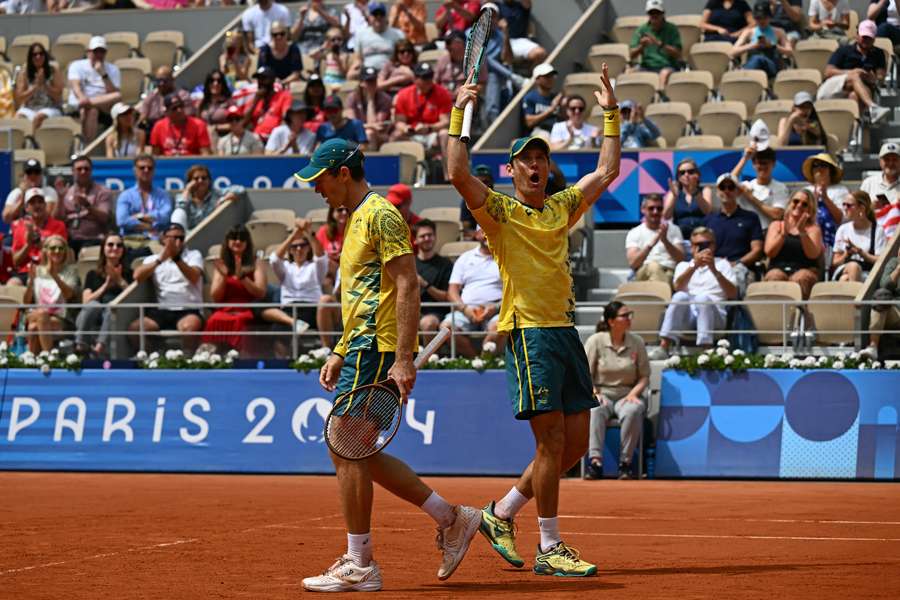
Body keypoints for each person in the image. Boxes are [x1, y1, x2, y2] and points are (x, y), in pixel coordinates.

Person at [447, 63, 623, 576]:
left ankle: (500, 513)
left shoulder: (560, 208)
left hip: (565, 333)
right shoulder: (499, 213)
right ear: (511, 170)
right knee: (549, 444)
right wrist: (460, 110)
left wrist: (610, 113)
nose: (536, 165)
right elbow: (458, 173)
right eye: (526, 159)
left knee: (570, 447)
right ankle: (549, 547)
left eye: (542, 158)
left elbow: (607, 171)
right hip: (529, 334)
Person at [295, 139, 481, 592]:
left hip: (376, 348)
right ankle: (451, 518)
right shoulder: (356, 218)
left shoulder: (380, 214)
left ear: (343, 173)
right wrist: (339, 348)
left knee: (345, 445)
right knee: (358, 451)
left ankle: (360, 562)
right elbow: (364, 296)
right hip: (359, 345)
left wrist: (401, 357)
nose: (316, 187)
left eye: (320, 178)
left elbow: (407, 285)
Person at [583, 301, 649, 480]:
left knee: (633, 410)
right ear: (611, 321)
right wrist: (595, 393)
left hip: (628, 394)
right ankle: (595, 462)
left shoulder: (637, 342)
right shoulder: (595, 341)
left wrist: (633, 394)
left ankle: (625, 463)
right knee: (595, 409)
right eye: (624, 315)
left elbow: (644, 376)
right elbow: (585, 374)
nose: (629, 319)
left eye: (630, 315)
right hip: (601, 393)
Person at [655, 227, 738, 355]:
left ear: (713, 245)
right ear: (692, 247)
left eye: (706, 244)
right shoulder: (683, 266)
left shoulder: (723, 264)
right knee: (679, 296)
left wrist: (714, 269)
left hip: (715, 316)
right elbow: (678, 287)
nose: (702, 248)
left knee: (702, 299)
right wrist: (694, 266)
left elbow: (733, 294)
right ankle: (664, 346)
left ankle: (706, 350)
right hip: (688, 315)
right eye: (698, 245)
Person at [129, 222, 204, 353]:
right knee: (135, 329)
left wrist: (176, 258)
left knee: (189, 328)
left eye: (181, 238)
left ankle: (187, 365)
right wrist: (160, 260)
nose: (178, 242)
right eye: (173, 238)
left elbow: (194, 276)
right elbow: (137, 276)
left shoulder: (193, 255)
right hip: (162, 310)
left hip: (188, 309)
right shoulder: (152, 259)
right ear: (163, 239)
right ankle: (153, 360)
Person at [264, 218, 335, 349]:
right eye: (294, 247)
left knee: (324, 301)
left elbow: (321, 257)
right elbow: (274, 260)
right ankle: (294, 324)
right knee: (269, 318)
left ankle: (326, 350)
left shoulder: (315, 267)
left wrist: (308, 233)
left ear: (308, 248)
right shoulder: (285, 267)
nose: (298, 249)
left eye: (302, 246)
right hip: (289, 311)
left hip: (311, 309)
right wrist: (293, 235)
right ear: (290, 250)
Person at [440, 227, 503, 357]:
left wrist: (496, 307)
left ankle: (485, 361)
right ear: (476, 234)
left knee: (500, 327)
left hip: (497, 309)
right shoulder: (465, 258)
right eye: (482, 230)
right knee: (445, 329)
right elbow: (452, 291)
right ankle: (474, 361)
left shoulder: (505, 257)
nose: (486, 235)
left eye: (489, 230)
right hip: (466, 309)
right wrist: (465, 309)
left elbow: (514, 291)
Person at [203, 225, 266, 353]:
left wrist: (242, 277)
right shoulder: (222, 265)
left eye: (242, 238)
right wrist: (225, 276)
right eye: (234, 238)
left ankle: (241, 358)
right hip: (225, 309)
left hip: (247, 310)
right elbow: (215, 297)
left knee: (239, 322)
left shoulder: (256, 262)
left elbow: (261, 292)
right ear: (227, 242)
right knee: (213, 320)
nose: (237, 241)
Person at [818, 20, 890, 124]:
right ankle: (873, 107)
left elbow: (880, 77)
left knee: (854, 96)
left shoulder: (878, 54)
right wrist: (851, 73)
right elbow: (828, 72)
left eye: (869, 37)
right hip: (835, 87)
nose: (866, 40)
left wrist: (873, 79)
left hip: (862, 88)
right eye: (864, 36)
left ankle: (855, 130)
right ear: (857, 35)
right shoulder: (844, 50)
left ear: (874, 38)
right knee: (855, 76)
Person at [704, 173, 764, 295]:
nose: (727, 191)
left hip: (741, 268)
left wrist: (737, 263)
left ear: (738, 192)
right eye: (722, 187)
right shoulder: (709, 220)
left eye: (731, 187)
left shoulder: (751, 218)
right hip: (714, 267)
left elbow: (757, 250)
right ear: (717, 191)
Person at [75, 231, 132, 357]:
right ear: (104, 249)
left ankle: (99, 347)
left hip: (116, 315)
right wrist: (105, 286)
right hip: (91, 314)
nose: (115, 248)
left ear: (123, 250)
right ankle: (80, 345)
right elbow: (86, 301)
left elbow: (132, 297)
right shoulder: (93, 274)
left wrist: (120, 280)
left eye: (119, 245)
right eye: (110, 245)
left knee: (111, 307)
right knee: (93, 305)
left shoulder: (129, 273)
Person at [391, 63, 453, 176]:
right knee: (395, 135)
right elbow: (399, 121)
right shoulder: (404, 94)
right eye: (423, 77)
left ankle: (448, 175)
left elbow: (445, 122)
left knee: (445, 134)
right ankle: (395, 175)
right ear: (415, 78)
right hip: (412, 134)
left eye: (429, 77)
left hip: (432, 134)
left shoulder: (442, 93)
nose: (427, 81)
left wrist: (429, 128)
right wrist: (406, 128)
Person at [23, 235, 79, 353]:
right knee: (41, 314)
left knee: (33, 328)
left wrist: (55, 276)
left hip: (61, 317)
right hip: (37, 314)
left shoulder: (71, 271)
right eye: (53, 248)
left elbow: (69, 296)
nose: (57, 251)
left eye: (60, 248)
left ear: (65, 251)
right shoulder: (37, 270)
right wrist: (31, 283)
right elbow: (26, 302)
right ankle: (49, 357)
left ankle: (34, 361)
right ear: (46, 251)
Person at [763, 189, 823, 299]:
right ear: (789, 203)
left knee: (801, 278)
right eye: (796, 201)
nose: (799, 205)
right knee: (774, 276)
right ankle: (775, 315)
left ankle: (800, 314)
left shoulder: (813, 229)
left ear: (810, 211)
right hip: (778, 269)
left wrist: (802, 233)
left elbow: (813, 254)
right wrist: (783, 235)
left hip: (805, 270)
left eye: (804, 204)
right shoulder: (776, 225)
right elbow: (769, 252)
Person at [54, 156, 113, 256]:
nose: (83, 172)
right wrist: (60, 198)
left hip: (93, 239)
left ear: (91, 171)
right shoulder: (66, 192)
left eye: (86, 169)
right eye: (79, 169)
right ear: (73, 171)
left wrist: (87, 205)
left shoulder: (102, 191)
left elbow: (104, 217)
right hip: (70, 240)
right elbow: (58, 220)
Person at [67, 36, 122, 142]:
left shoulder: (113, 69)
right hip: (79, 103)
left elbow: (113, 94)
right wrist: (83, 99)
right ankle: (88, 147)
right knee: (92, 111)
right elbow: (76, 87)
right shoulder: (77, 65)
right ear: (89, 52)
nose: (99, 55)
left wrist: (103, 74)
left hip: (102, 106)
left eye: (102, 51)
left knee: (117, 96)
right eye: (96, 51)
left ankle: (85, 147)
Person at [10, 188, 68, 287]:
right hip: (25, 272)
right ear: (26, 208)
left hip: (50, 271)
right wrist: (28, 245)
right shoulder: (19, 227)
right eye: (32, 203)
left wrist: (39, 243)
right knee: (12, 283)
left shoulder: (58, 226)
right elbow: (16, 262)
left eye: (40, 202)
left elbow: (62, 256)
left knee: (34, 282)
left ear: (45, 205)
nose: (37, 205)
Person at [626, 194, 685, 285]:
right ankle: (665, 296)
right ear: (643, 210)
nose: (655, 212)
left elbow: (680, 259)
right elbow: (633, 263)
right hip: (644, 271)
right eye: (651, 208)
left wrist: (665, 241)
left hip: (669, 271)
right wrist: (652, 243)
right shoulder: (635, 232)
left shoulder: (674, 230)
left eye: (659, 208)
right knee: (654, 266)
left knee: (665, 275)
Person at [116, 155, 173, 243]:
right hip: (130, 241)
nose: (146, 170)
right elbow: (122, 221)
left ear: (154, 171)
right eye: (142, 168)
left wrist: (138, 217)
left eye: (150, 168)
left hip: (157, 241)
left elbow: (165, 218)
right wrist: (150, 224)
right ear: (135, 170)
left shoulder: (163, 195)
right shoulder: (125, 195)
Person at [730, 145, 788, 230]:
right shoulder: (746, 185)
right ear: (753, 164)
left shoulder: (780, 187)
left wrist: (751, 197)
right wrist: (745, 158)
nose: (762, 167)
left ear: (773, 164)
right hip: (745, 232)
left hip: (767, 233)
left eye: (765, 163)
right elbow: (730, 181)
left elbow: (777, 214)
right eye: (759, 163)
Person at [832, 191, 886, 282]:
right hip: (844, 268)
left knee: (845, 279)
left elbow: (880, 260)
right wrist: (847, 254)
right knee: (853, 267)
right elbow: (835, 262)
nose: (845, 208)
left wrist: (861, 253)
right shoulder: (843, 229)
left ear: (861, 208)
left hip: (867, 273)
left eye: (849, 205)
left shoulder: (877, 230)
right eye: (843, 204)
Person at [413, 219, 453, 342]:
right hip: (411, 310)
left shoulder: (445, 264)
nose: (427, 239)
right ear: (415, 240)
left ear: (435, 237)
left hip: (436, 312)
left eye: (430, 235)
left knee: (428, 323)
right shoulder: (409, 263)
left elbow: (446, 297)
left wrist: (425, 284)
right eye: (422, 236)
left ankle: (430, 360)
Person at [171, 164, 243, 232]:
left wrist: (229, 194)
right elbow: (180, 208)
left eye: (204, 178)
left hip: (212, 233)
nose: (200, 181)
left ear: (209, 180)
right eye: (196, 179)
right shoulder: (183, 196)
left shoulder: (216, 193)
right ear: (190, 182)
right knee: (178, 212)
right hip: (189, 235)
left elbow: (240, 189)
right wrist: (187, 189)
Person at [730, 0, 792, 78]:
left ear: (769, 17)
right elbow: (732, 52)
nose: (762, 21)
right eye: (759, 18)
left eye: (764, 17)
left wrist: (773, 46)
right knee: (756, 59)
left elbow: (790, 52)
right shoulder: (749, 32)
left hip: (771, 66)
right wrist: (753, 45)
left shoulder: (779, 32)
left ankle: (743, 74)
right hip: (753, 65)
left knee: (758, 59)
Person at [630, 0, 682, 88]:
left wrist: (659, 44)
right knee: (629, 73)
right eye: (651, 13)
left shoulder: (672, 29)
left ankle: (660, 97)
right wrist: (641, 46)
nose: (654, 15)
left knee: (664, 74)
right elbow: (631, 55)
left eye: (657, 12)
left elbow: (678, 54)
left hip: (667, 66)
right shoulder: (641, 30)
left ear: (663, 13)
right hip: (646, 67)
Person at [802, 152, 849, 248]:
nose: (819, 168)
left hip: (834, 239)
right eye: (815, 165)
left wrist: (825, 198)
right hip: (810, 237)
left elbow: (841, 219)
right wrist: (813, 200)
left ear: (830, 170)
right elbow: (800, 217)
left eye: (823, 165)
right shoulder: (806, 190)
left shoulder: (841, 190)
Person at [14, 42, 63, 132]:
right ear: (30, 57)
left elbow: (58, 96)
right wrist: (35, 87)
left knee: (39, 117)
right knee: (18, 118)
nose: (38, 57)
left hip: (50, 107)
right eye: (34, 54)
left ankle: (31, 141)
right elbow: (20, 98)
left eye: (41, 54)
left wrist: (44, 85)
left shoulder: (53, 70)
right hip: (29, 108)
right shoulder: (24, 73)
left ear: (45, 56)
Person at [663, 158, 713, 239]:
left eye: (690, 172)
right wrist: (674, 197)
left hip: (702, 237)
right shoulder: (674, 192)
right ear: (678, 177)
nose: (686, 175)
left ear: (697, 174)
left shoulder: (705, 190)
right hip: (680, 238)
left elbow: (707, 211)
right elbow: (666, 216)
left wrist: (695, 191)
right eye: (682, 173)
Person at [344, 66, 392, 150]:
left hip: (380, 135)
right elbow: (352, 124)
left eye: (373, 81)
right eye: (368, 81)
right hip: (357, 134)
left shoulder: (385, 99)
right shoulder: (352, 97)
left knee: (370, 133)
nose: (371, 84)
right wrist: (371, 126)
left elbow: (377, 125)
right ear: (361, 82)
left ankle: (369, 162)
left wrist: (371, 100)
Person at [243, 66, 294, 142]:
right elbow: (242, 122)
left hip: (275, 139)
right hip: (256, 139)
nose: (261, 82)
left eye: (264, 78)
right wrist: (255, 101)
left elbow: (286, 119)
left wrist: (276, 136)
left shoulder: (284, 95)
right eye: (259, 79)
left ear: (273, 80)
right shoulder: (254, 100)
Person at [139, 65, 195, 133]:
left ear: (172, 79)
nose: (161, 83)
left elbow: (188, 117)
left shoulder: (183, 96)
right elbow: (142, 120)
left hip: (179, 132)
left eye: (164, 80)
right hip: (154, 132)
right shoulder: (150, 97)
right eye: (158, 80)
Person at [3, 158, 59, 225]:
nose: (33, 176)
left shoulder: (49, 191)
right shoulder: (16, 192)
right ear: (24, 175)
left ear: (41, 174)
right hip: (20, 231)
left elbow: (48, 215)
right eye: (29, 172)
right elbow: (6, 218)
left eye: (36, 172)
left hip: (44, 232)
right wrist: (22, 198)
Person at [869, 244, 900, 355]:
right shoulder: (894, 262)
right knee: (881, 296)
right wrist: (898, 270)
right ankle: (873, 348)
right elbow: (884, 285)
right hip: (896, 311)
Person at [861, 142, 900, 230]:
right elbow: (857, 211)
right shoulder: (869, 183)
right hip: (873, 232)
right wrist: (870, 207)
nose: (890, 163)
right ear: (880, 162)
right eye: (887, 159)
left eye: (894, 159)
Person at [498, 0, 547, 66]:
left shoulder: (522, 6)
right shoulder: (497, 7)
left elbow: (528, 3)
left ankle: (532, 74)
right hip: (504, 42)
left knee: (541, 53)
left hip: (522, 41)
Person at [521, 63, 561, 136]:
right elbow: (529, 122)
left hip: (556, 132)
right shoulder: (530, 97)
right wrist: (551, 110)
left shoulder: (557, 97)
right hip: (538, 132)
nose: (550, 79)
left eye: (552, 76)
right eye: (546, 76)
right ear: (537, 79)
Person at [259, 20, 305, 86]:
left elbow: (296, 73)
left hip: (290, 82)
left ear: (286, 34)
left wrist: (283, 82)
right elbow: (262, 71)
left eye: (282, 34)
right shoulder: (265, 50)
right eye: (275, 35)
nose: (279, 37)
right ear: (271, 36)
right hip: (270, 82)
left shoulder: (294, 49)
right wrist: (274, 80)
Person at [197, 70, 234, 139]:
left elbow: (236, 125)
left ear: (223, 84)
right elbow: (197, 123)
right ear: (207, 83)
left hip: (224, 139)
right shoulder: (202, 103)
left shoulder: (229, 102)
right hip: (205, 139)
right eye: (212, 80)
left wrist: (215, 127)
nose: (215, 84)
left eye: (219, 81)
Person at [459, 165, 493, 238]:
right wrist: (479, 235)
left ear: (491, 183)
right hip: (475, 239)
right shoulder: (466, 201)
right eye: (478, 182)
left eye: (485, 182)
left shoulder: (499, 200)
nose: (482, 185)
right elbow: (466, 230)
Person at [316, 205, 348, 277]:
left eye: (347, 210)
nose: (344, 212)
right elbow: (317, 255)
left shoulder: (354, 231)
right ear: (332, 213)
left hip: (347, 269)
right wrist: (328, 255)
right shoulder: (323, 231)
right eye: (340, 210)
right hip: (328, 271)